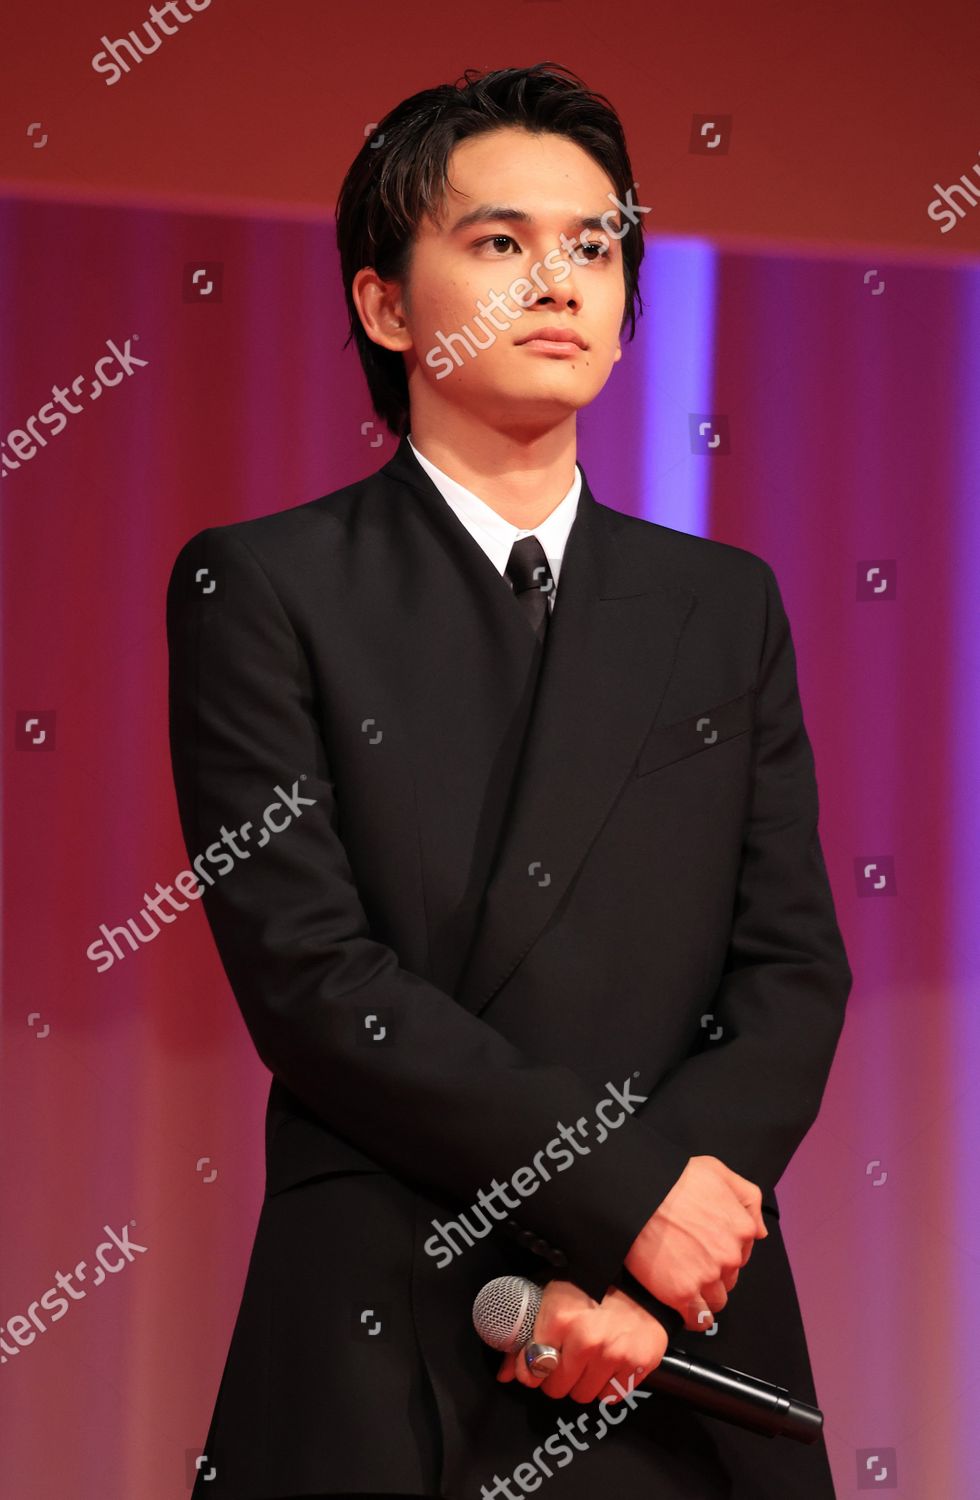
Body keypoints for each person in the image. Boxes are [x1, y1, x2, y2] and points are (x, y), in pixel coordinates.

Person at [168, 61, 852, 1500]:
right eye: (499, 242)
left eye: (594, 246)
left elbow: (790, 971)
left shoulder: (721, 604)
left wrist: (655, 1260)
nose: (559, 282)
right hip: (396, 1301)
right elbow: (311, 976)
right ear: (384, 306)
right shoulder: (268, 586)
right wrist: (623, 1196)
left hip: (674, 1327)